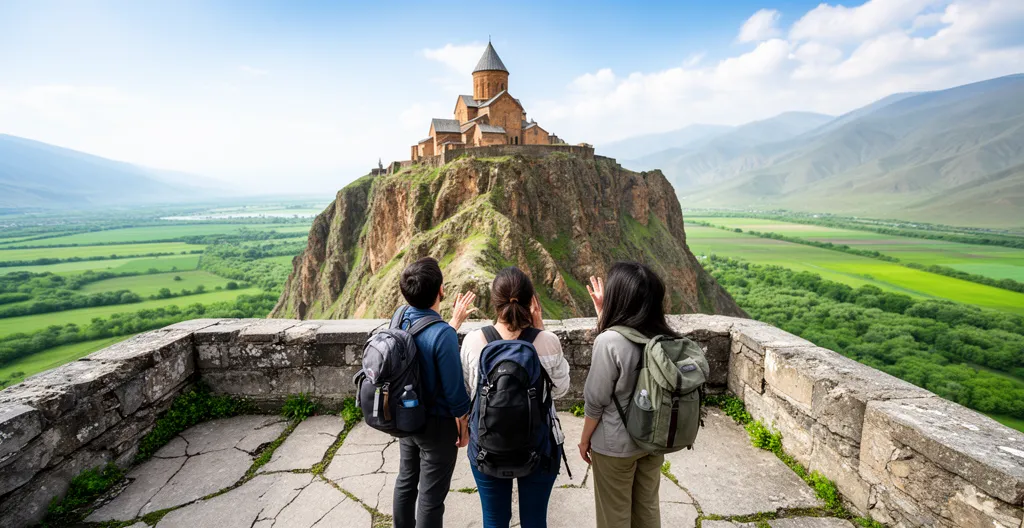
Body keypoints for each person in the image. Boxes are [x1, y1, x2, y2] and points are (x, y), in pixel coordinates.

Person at [460, 266, 571, 528]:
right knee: (534, 521)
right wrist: (541, 330)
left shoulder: (473, 341)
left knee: (495, 521)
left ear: (495, 302)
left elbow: (467, 393)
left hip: (487, 447)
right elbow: (562, 388)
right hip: (539, 444)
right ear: (531, 301)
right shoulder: (548, 342)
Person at [578, 262, 679, 528]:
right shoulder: (665, 337)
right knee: (646, 511)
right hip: (653, 440)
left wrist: (584, 439)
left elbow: (596, 400)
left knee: (615, 516)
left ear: (619, 299)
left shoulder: (609, 342)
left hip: (616, 446)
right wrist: (603, 315)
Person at [392, 257, 478, 528]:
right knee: (431, 498)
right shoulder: (443, 335)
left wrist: (451, 323)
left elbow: (419, 350)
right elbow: (455, 395)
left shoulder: (399, 316)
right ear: (442, 290)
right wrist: (463, 426)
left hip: (406, 416)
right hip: (436, 427)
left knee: (406, 481)